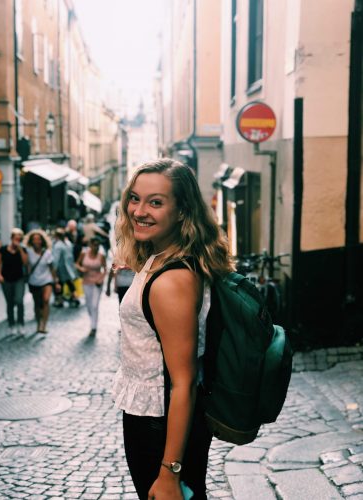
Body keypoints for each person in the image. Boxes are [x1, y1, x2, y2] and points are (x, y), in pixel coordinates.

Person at [111, 158, 233, 499]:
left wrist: (170, 471)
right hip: (153, 418)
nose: (138, 211)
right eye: (135, 198)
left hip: (160, 427)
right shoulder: (163, 257)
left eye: (156, 202)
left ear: (182, 211)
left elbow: (184, 382)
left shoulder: (172, 281)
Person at [23, 229, 60, 334]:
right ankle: (38, 323)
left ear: (42, 240)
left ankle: (44, 324)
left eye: (38, 239)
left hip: (46, 280)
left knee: (46, 300)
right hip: (34, 281)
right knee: (37, 304)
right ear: (31, 241)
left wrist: (56, 282)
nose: (36, 241)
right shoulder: (28, 251)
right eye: (34, 239)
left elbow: (52, 268)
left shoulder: (47, 252)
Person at [0, 228, 28, 334]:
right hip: (6, 279)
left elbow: (25, 262)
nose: (17, 241)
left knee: (19, 300)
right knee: (10, 302)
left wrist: (20, 249)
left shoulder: (23, 250)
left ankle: (21, 323)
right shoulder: (3, 249)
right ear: (12, 238)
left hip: (19, 279)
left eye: (19, 239)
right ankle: (11, 323)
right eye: (15, 238)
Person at [76, 236, 107, 336]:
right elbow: (77, 264)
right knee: (89, 305)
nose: (96, 247)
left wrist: (101, 279)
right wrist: (81, 269)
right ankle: (93, 319)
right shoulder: (84, 253)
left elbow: (105, 269)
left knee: (94, 305)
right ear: (90, 245)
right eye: (94, 245)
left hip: (97, 283)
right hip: (86, 282)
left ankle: (93, 327)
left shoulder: (101, 256)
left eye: (98, 245)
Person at [52, 228, 80, 308]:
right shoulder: (68, 243)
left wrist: (54, 269)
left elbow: (55, 259)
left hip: (61, 268)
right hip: (69, 267)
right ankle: (74, 297)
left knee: (59, 283)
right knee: (69, 283)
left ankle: (59, 300)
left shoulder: (58, 245)